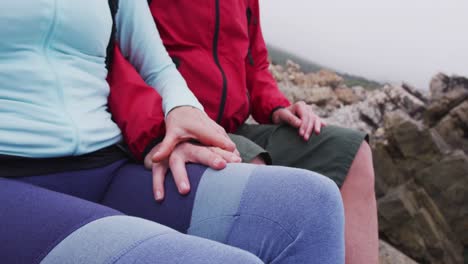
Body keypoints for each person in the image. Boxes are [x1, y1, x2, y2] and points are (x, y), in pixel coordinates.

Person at [0, 1, 345, 263]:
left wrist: (179, 113)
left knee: (311, 204)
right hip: (10, 177)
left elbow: (156, 65)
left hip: (105, 164)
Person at [108, 0, 379, 263]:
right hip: (170, 124)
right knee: (256, 174)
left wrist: (277, 106)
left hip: (232, 126)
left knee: (353, 153)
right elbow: (115, 49)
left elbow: (255, 63)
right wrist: (154, 130)